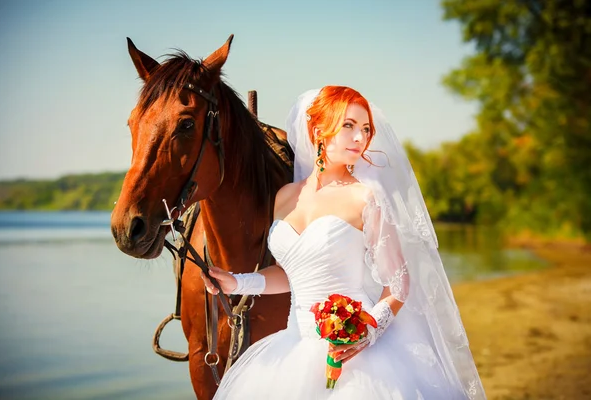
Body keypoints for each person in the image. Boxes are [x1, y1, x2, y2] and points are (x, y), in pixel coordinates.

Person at [200, 86, 486, 399]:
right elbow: (290, 274)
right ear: (319, 130)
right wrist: (235, 282)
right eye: (348, 125)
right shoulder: (285, 197)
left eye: (365, 129)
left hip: (359, 356)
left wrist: (369, 331)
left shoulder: (366, 197)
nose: (359, 138)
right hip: (294, 343)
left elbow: (399, 283)